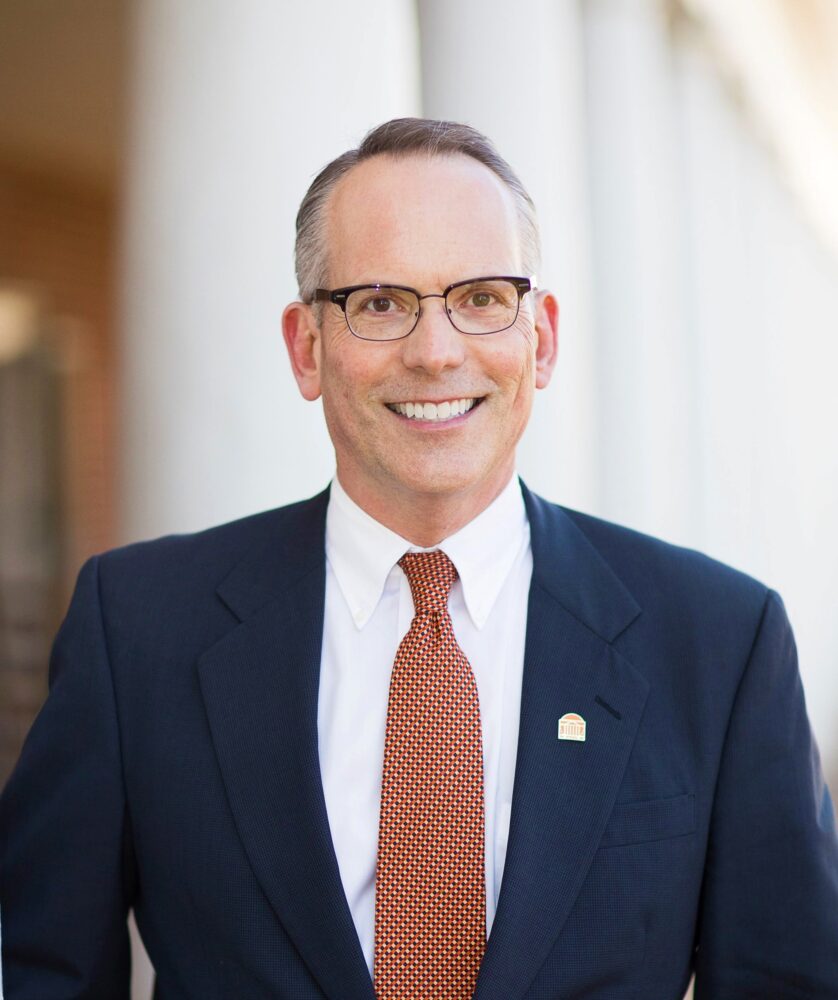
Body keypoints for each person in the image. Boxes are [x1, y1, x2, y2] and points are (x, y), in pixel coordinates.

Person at [1, 118, 837, 1000]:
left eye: (481, 297)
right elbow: (38, 972)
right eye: (380, 303)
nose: (436, 353)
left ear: (542, 340)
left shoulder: (718, 643)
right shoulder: (137, 628)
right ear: (307, 347)